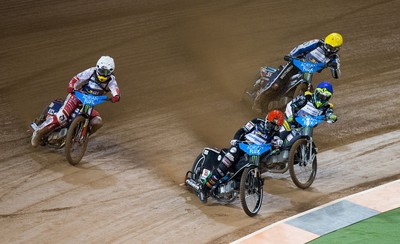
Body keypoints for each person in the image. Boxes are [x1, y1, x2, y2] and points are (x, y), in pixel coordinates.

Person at [31, 56, 121, 147]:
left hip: (89, 103)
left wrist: (116, 96)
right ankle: (38, 132)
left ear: (111, 71)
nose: (103, 74)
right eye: (102, 71)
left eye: (106, 72)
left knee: (97, 122)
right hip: (77, 97)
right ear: (97, 68)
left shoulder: (111, 80)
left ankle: (79, 136)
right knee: (61, 117)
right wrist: (71, 86)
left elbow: (115, 89)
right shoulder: (91, 71)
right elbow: (77, 78)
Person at [198, 110, 286, 202]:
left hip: (253, 155)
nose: (272, 129)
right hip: (241, 146)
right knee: (226, 163)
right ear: (267, 120)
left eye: (276, 127)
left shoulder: (275, 134)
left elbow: (278, 143)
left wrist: (278, 144)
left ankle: (239, 185)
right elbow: (242, 130)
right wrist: (235, 140)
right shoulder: (256, 122)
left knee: (250, 170)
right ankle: (205, 188)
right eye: (271, 125)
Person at [250, 33, 343, 95]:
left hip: (308, 72)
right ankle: (259, 100)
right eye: (329, 46)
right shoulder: (317, 43)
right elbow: (301, 47)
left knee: (310, 92)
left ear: (337, 48)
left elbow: (337, 75)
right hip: (296, 64)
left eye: (333, 48)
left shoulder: (335, 58)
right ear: (326, 42)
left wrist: (334, 68)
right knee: (276, 85)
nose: (330, 49)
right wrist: (290, 55)